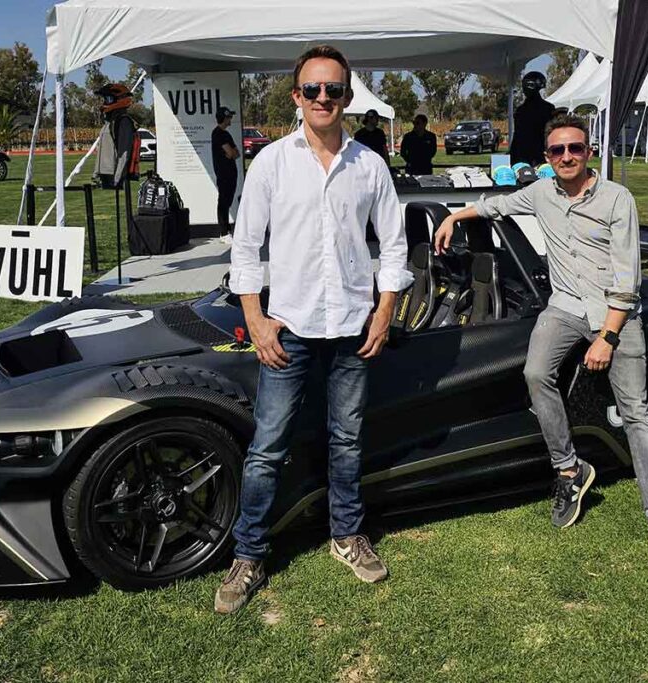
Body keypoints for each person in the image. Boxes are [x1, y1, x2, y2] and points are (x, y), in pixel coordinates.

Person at [432, 113, 648, 570]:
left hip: (614, 309)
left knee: (636, 411)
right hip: (566, 305)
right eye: (557, 151)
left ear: (589, 151)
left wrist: (607, 337)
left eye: (575, 148)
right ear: (547, 158)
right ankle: (569, 470)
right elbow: (496, 206)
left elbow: (628, 281)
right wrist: (454, 215)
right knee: (534, 373)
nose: (567, 156)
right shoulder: (541, 193)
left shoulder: (616, 199)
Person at [217, 45, 412, 614]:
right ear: (296, 96)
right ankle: (248, 554)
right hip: (290, 329)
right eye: (312, 90)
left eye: (334, 90)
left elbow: (394, 245)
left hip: (354, 327)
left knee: (347, 440)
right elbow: (246, 248)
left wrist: (384, 309)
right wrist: (255, 318)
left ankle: (347, 536)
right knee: (267, 447)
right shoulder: (272, 163)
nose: (323, 99)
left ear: (347, 97)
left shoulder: (369, 165)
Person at [509, 71, 555, 166]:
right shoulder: (548, 108)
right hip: (529, 155)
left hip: (534, 154)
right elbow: (518, 135)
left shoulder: (521, 110)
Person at [212, 106, 241, 242]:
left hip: (231, 173)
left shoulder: (227, 134)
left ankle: (227, 229)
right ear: (224, 118)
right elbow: (231, 152)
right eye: (229, 117)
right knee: (223, 201)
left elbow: (237, 154)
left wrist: (231, 153)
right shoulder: (218, 134)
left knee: (228, 200)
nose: (231, 119)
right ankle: (223, 232)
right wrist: (231, 153)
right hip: (223, 174)